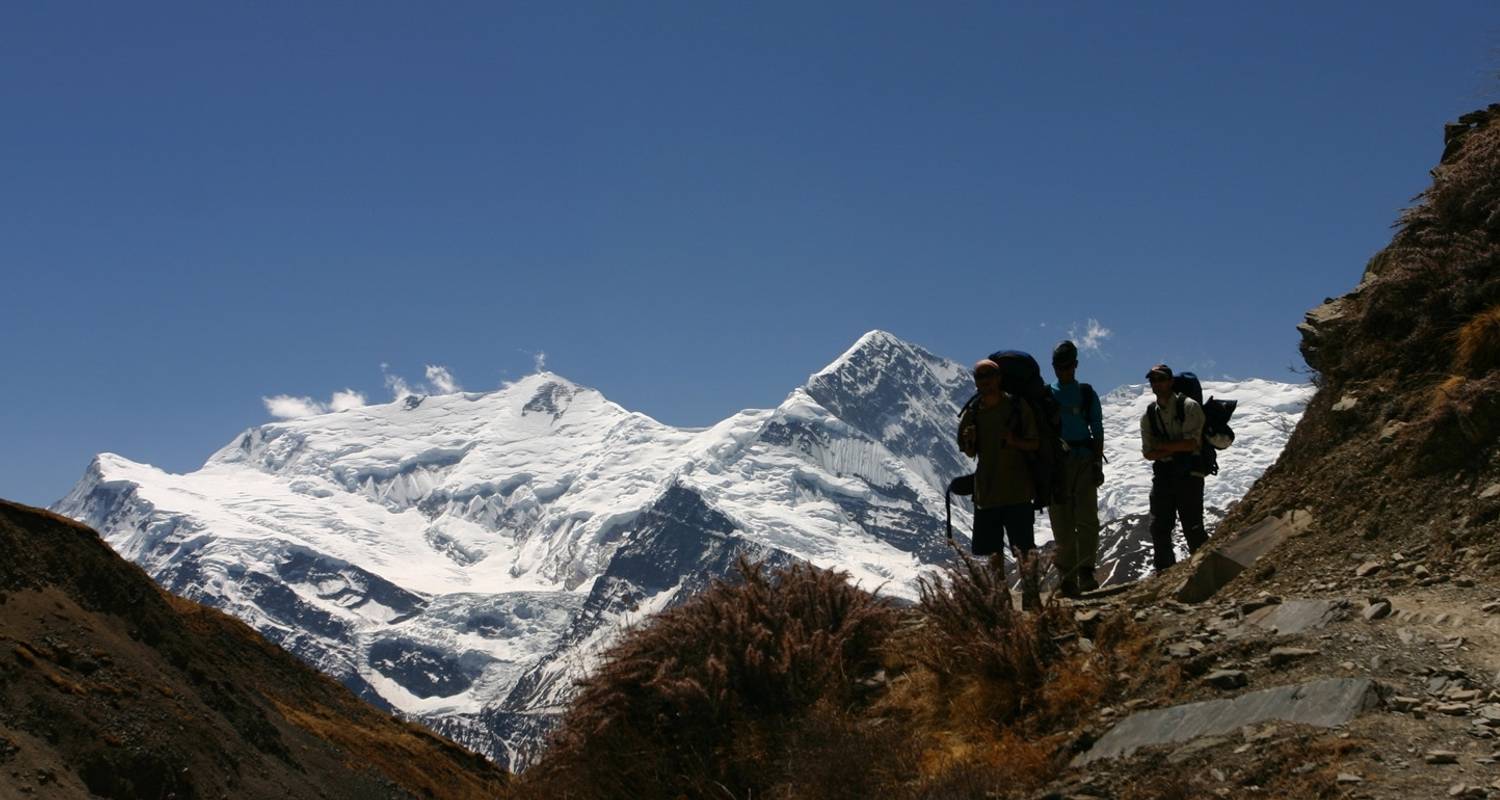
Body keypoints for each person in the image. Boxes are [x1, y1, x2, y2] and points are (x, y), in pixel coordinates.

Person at [958, 358, 1042, 609]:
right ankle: (1002, 601)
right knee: (993, 552)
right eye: (980, 377)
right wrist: (970, 441)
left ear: (999, 378)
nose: (985, 381)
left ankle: (1031, 597)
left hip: (1017, 490)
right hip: (987, 492)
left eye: (989, 375)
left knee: (1024, 549)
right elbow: (968, 451)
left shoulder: (1017, 407)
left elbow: (1035, 443)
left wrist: (1014, 441)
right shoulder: (972, 413)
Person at [1047, 341, 1103, 596]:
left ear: (1076, 366)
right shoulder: (1047, 395)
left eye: (1067, 366)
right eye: (1060, 367)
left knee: (1087, 518)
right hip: (1057, 463)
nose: (1064, 371)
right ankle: (1067, 577)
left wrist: (1097, 464)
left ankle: (1085, 572)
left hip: (1083, 460)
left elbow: (1097, 430)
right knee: (1061, 521)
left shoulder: (1087, 393)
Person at [1140, 364, 1208, 571]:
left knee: (1192, 526)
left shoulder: (1189, 406)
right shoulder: (1149, 415)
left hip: (1189, 473)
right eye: (1153, 380)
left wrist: (1162, 447)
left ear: (1171, 382)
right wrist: (1175, 448)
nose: (1156, 384)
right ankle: (1164, 573)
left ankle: (1205, 569)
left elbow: (1192, 443)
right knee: (1159, 526)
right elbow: (1148, 453)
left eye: (1160, 379)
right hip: (1165, 474)